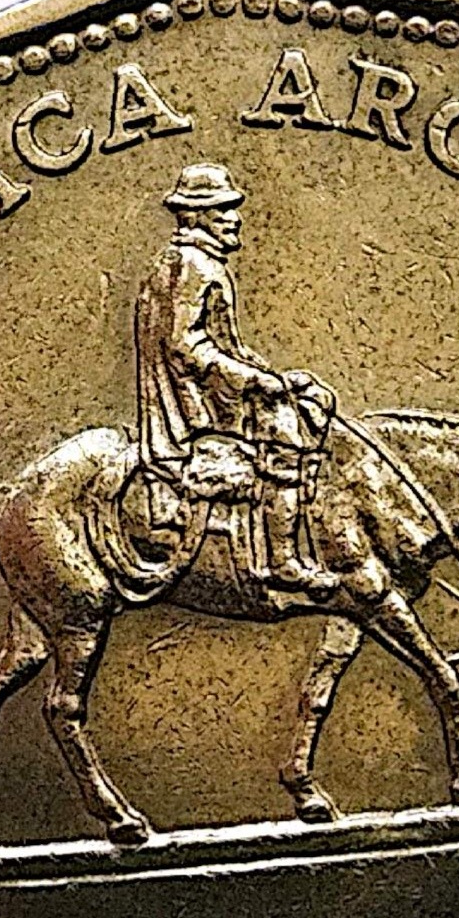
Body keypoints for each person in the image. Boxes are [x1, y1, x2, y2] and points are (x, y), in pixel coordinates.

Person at [134, 163, 337, 595]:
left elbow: (226, 343)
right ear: (196, 216)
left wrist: (272, 375)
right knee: (285, 431)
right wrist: (254, 382)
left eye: (232, 208)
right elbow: (184, 346)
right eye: (222, 210)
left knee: (312, 398)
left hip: (210, 387)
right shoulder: (191, 265)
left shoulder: (201, 263)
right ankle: (283, 559)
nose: (234, 218)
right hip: (192, 401)